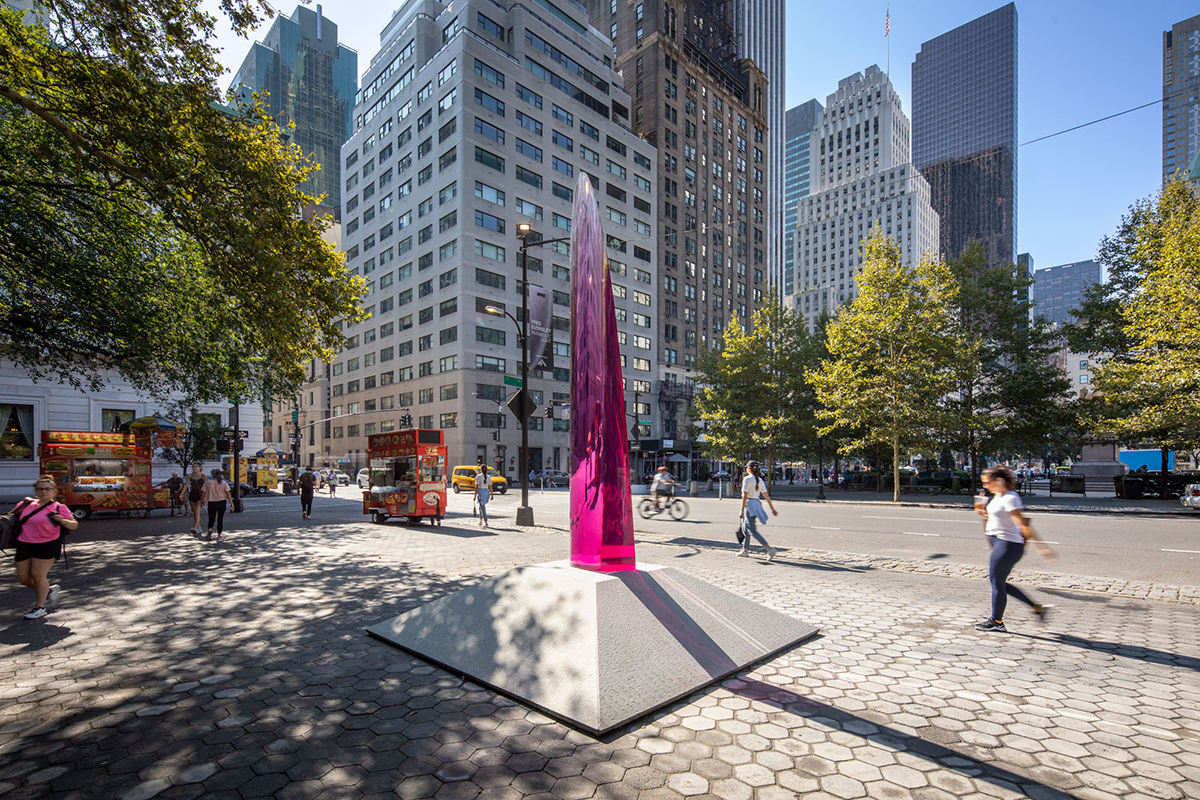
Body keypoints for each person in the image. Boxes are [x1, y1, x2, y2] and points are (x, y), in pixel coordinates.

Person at [973, 465, 1056, 633]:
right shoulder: (998, 496)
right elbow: (1000, 519)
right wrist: (984, 514)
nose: (985, 486)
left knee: (997, 583)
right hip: (1000, 542)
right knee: (998, 582)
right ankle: (1037, 608)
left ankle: (997, 621)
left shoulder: (1011, 498)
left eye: (987, 482)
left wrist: (1041, 548)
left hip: (1008, 544)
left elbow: (1022, 524)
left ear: (999, 480)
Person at [10, 475, 78, 619]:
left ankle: (40, 607)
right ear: (35, 491)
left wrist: (63, 520)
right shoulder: (25, 504)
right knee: (23, 578)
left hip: (48, 544)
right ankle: (48, 590)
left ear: (54, 491)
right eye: (40, 489)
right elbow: (10, 517)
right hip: (24, 543)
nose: (44, 492)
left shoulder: (59, 507)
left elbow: (74, 525)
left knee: (38, 575)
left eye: (47, 489)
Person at [737, 461, 778, 561]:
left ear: (749, 468)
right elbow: (766, 495)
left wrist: (741, 510)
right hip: (756, 504)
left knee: (752, 530)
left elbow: (744, 496)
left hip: (749, 505)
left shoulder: (747, 479)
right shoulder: (759, 480)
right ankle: (745, 549)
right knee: (745, 528)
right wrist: (772, 508)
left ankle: (769, 549)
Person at [202, 469, 234, 542]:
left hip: (211, 502)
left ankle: (210, 529)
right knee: (220, 519)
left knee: (211, 518)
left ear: (212, 475)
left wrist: (202, 501)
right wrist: (232, 504)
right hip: (221, 502)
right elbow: (228, 494)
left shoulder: (208, 483)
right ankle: (219, 535)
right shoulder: (224, 483)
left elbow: (203, 493)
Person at [185, 463, 206, 534]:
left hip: (200, 495)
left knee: (197, 512)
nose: (194, 468)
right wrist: (182, 493)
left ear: (199, 467)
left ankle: (195, 527)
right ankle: (198, 526)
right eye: (193, 467)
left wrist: (205, 496)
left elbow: (206, 486)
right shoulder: (190, 476)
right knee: (194, 512)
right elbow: (186, 485)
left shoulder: (203, 476)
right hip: (192, 494)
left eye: (196, 467)